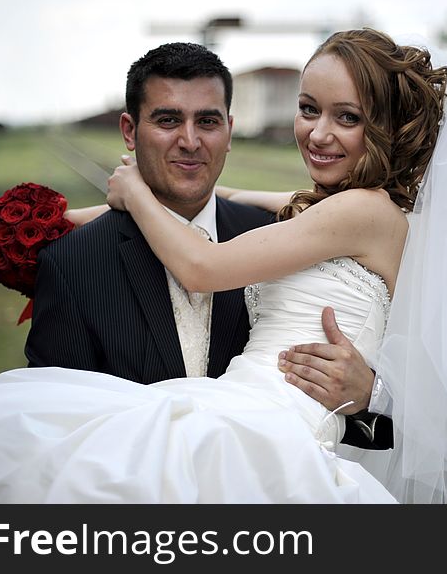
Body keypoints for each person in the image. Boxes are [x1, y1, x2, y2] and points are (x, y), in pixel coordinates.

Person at [0, 28, 447, 504]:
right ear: (133, 133)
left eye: (347, 118)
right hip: (231, 434)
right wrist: (71, 220)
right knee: (18, 434)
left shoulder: (353, 218)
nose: (318, 133)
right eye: (309, 109)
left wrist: (367, 398)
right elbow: (219, 197)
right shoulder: (305, 218)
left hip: (274, 442)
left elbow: (409, 432)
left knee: (5, 431)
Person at [26, 40, 390, 449]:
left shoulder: (283, 236)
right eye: (167, 120)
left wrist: (366, 396)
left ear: (229, 131)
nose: (190, 141)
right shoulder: (72, 263)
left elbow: (403, 423)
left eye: (208, 122)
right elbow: (54, 426)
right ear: (130, 131)